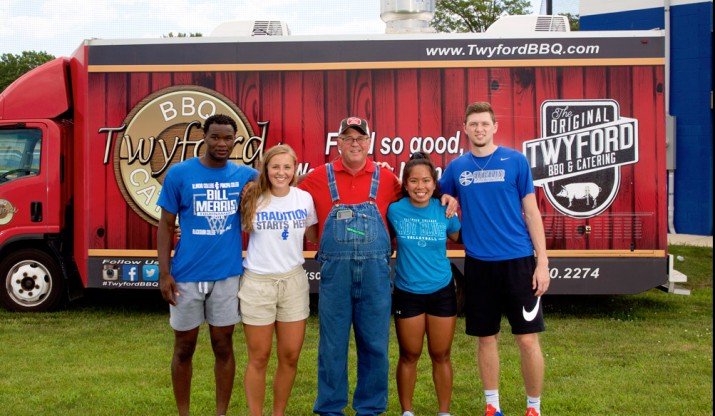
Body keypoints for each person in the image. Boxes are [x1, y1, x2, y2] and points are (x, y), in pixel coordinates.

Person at [298, 116, 458, 416]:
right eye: (348, 138)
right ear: (339, 142)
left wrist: (444, 197)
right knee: (332, 345)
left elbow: (419, 194)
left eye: (360, 138)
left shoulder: (387, 180)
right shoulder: (319, 177)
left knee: (374, 344)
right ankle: (330, 409)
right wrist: (253, 191)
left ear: (369, 142)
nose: (355, 143)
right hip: (336, 275)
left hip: (375, 275)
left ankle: (370, 409)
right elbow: (285, 193)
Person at [439, 102, 549, 416]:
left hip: (518, 263)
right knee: (486, 339)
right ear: (465, 128)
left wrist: (542, 262)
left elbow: (531, 212)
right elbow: (440, 198)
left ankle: (533, 408)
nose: (479, 129)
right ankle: (492, 406)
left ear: (495, 126)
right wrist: (446, 199)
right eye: (473, 124)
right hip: (478, 266)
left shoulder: (515, 161)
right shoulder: (457, 168)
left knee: (527, 341)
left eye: (485, 123)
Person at [157, 113, 258, 416]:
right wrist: (164, 273)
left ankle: (220, 413)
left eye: (228, 138)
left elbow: (284, 178)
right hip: (186, 275)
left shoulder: (246, 175)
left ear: (236, 139)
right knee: (184, 348)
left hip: (226, 274)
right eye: (215, 137)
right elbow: (165, 225)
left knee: (223, 346)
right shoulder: (180, 174)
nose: (222, 143)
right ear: (204, 136)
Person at [239, 144, 318, 416]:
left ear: (295, 169)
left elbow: (314, 236)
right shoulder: (253, 197)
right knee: (259, 357)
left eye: (287, 167)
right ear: (266, 169)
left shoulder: (303, 199)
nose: (281, 172)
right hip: (258, 282)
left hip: (293, 281)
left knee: (290, 356)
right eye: (275, 167)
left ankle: (278, 413)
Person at [387, 152, 461, 416]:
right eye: (414, 181)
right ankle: (407, 411)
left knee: (440, 354)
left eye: (426, 181)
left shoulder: (444, 209)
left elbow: (457, 235)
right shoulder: (394, 210)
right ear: (405, 184)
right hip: (408, 292)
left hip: (441, 291)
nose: (421, 187)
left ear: (434, 183)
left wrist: (453, 200)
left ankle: (444, 412)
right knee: (409, 354)